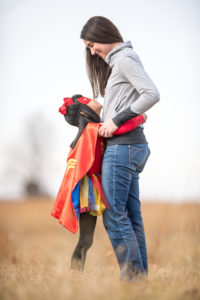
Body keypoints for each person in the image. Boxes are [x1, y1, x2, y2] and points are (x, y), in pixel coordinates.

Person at [80, 16, 160, 281]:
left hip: (122, 149)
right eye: (89, 48)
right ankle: (141, 284)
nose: (92, 51)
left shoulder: (124, 59)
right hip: (131, 147)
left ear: (103, 34)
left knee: (114, 218)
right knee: (131, 219)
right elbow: (127, 100)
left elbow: (151, 93)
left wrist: (117, 119)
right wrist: (82, 107)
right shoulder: (121, 63)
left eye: (92, 44)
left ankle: (134, 283)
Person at [51, 94, 146, 272]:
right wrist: (140, 117)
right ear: (84, 112)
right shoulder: (93, 129)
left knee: (87, 240)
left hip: (96, 185)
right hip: (89, 190)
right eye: (86, 100)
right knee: (86, 239)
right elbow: (119, 129)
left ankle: (75, 275)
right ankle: (74, 276)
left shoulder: (93, 129)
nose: (92, 97)